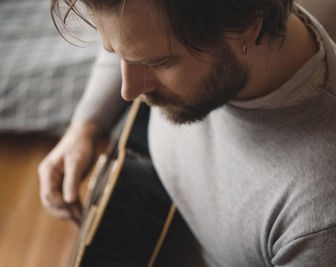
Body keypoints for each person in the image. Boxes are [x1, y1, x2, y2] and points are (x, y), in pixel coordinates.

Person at [38, 0, 336, 265]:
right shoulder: (184, 30)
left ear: (247, 26)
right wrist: (86, 127)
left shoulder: (318, 221)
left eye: (157, 63)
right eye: (117, 53)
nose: (129, 92)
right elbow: (131, 39)